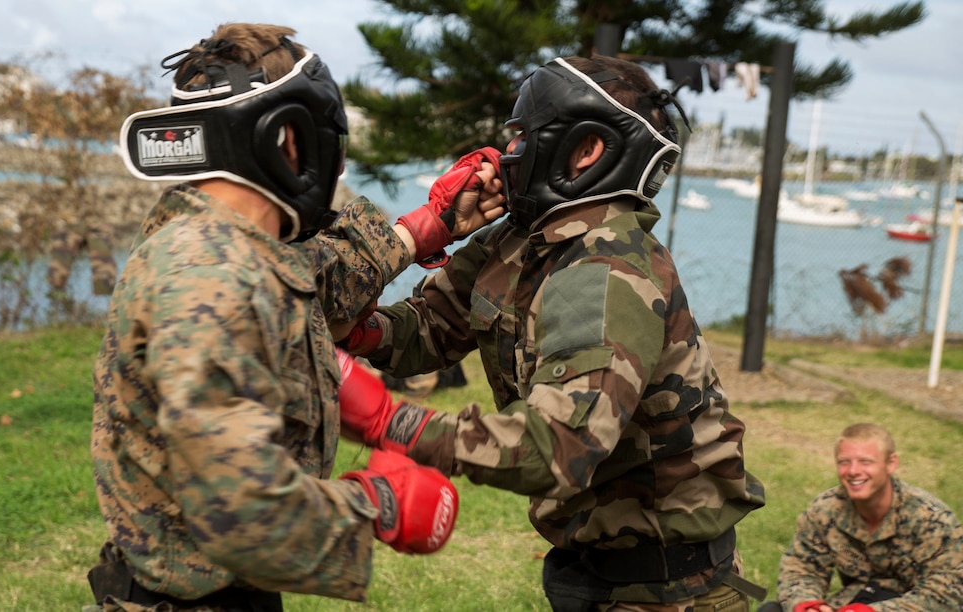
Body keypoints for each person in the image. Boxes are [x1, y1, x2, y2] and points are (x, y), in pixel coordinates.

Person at [87, 22, 506, 611]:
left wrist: (431, 224)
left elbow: (311, 277)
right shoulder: (208, 273)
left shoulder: (223, 243)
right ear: (290, 140)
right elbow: (241, 512)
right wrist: (378, 504)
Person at [334, 53, 767, 610]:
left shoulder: (606, 272)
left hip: (667, 591)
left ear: (585, 150)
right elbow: (426, 330)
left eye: (521, 137)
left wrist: (391, 423)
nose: (505, 155)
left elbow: (559, 449)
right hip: (595, 574)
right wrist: (417, 242)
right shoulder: (521, 240)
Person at [759, 423, 963, 612]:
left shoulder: (932, 519)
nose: (853, 471)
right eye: (844, 462)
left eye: (865, 462)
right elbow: (802, 567)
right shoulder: (825, 509)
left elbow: (947, 593)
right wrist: (809, 604)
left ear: (890, 463)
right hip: (855, 600)